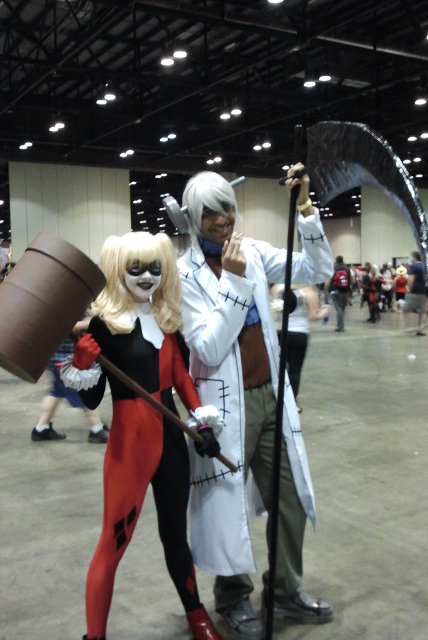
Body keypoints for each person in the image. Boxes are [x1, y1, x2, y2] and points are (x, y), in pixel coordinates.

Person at [177, 165, 334, 638]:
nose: (222, 221)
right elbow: (205, 347)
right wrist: (238, 283)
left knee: (288, 499)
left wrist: (305, 209)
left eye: (226, 209)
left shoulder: (255, 252)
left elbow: (319, 269)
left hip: (271, 397)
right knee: (226, 503)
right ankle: (232, 597)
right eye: (210, 215)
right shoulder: (184, 275)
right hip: (223, 410)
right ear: (192, 219)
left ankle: (285, 589)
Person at [61, 231, 226, 640]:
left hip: (171, 442)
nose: (147, 276)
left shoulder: (166, 319)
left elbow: (183, 379)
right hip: (128, 450)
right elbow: (93, 398)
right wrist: (83, 362)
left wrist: (202, 423)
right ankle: (94, 636)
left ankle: (197, 616)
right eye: (136, 269)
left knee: (175, 535)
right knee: (113, 543)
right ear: (119, 271)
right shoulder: (105, 325)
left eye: (155, 267)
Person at [31, 335, 109, 443]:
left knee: (56, 391)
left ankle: (41, 428)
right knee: (86, 393)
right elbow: (71, 326)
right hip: (69, 361)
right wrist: (90, 322)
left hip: (55, 359)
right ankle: (96, 429)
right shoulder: (65, 318)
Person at [271, 284, 328, 413]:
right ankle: (292, 402)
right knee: (295, 369)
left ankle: (276, 398)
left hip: (281, 333)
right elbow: (314, 316)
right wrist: (325, 312)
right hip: (300, 334)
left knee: (278, 368)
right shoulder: (308, 292)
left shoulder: (278, 288)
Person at [324, 255, 354, 332]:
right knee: (342, 309)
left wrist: (325, 292)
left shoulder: (333, 269)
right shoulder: (349, 270)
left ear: (336, 261)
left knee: (338, 309)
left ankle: (340, 326)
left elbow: (327, 282)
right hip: (345, 291)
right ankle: (341, 325)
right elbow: (353, 281)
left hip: (335, 291)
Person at [403, 250, 427, 335]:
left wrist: (408, 289)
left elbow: (411, 279)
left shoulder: (414, 266)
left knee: (406, 309)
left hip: (416, 292)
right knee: (422, 311)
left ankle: (411, 327)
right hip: (424, 291)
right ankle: (421, 329)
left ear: (414, 257)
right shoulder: (424, 265)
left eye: (411, 257)